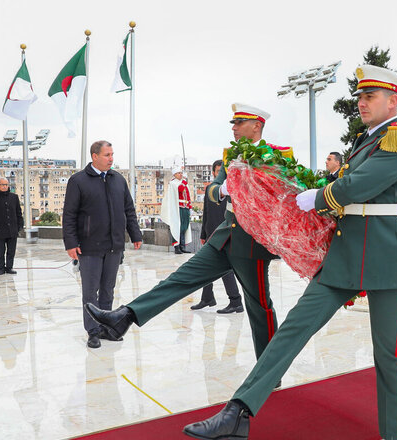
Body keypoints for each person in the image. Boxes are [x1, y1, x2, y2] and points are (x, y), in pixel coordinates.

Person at [182, 65, 397, 440]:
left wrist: (322, 195)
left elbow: (358, 187)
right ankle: (238, 411)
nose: (362, 103)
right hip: (348, 253)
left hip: (388, 259)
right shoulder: (367, 140)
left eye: (371, 96)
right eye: (360, 96)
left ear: (393, 101)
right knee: (295, 327)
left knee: (388, 351)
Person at [84, 104, 282, 363]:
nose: (233, 128)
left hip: (251, 243)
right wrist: (223, 191)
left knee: (259, 307)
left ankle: (270, 369)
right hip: (224, 237)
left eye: (239, 123)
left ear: (256, 126)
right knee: (179, 280)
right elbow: (213, 188)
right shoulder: (231, 156)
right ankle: (125, 316)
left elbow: (279, 197)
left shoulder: (275, 156)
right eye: (233, 123)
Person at [62, 140, 143, 349]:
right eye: (107, 155)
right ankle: (93, 331)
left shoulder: (118, 180)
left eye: (112, 154)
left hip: (114, 245)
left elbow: (129, 209)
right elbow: (69, 215)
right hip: (89, 247)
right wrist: (71, 243)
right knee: (90, 292)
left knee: (108, 289)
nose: (111, 159)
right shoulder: (78, 181)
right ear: (94, 156)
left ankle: (107, 327)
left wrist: (135, 234)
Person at [191, 159, 244, 314]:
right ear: (214, 173)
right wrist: (203, 234)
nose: (219, 173)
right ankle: (207, 298)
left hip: (225, 235)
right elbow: (205, 214)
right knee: (206, 267)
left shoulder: (232, 191)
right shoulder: (210, 190)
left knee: (225, 269)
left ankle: (236, 301)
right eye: (217, 171)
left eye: (222, 170)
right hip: (210, 234)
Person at [0, 177, 23, 275]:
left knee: (11, 251)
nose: (4, 186)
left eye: (6, 185)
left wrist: (20, 225)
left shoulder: (14, 197)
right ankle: (1, 268)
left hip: (12, 229)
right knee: (0, 251)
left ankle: (9, 267)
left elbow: (18, 212)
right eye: (2, 185)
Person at [161, 165, 192, 254]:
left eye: (181, 173)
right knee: (177, 227)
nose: (180, 175)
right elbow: (178, 191)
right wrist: (183, 185)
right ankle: (177, 247)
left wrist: (189, 206)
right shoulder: (173, 183)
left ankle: (183, 246)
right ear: (174, 174)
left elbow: (188, 195)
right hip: (178, 208)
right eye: (178, 173)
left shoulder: (184, 182)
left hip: (185, 207)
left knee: (184, 227)